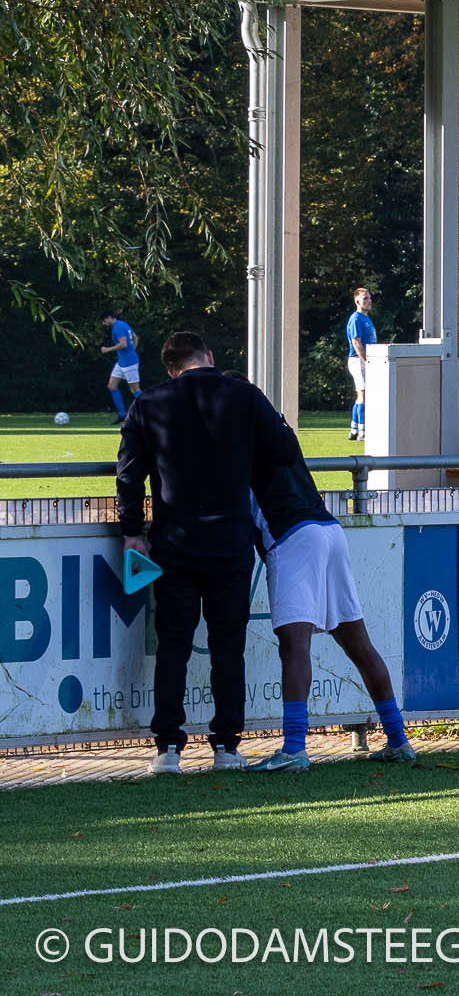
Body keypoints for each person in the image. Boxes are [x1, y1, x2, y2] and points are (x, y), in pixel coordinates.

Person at [115, 330, 298, 776]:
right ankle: (226, 746)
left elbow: (128, 475)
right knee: (228, 646)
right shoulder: (244, 395)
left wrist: (132, 532)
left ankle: (167, 748)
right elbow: (285, 450)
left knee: (173, 645)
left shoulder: (150, 403)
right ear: (210, 355)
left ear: (171, 367)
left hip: (175, 541)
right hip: (231, 539)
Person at [247, 444, 414, 772]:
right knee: (360, 646)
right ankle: (398, 740)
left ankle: (294, 748)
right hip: (329, 529)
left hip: (292, 537)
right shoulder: (272, 425)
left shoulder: (233, 431)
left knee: (295, 646)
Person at [345, 287, 375, 441]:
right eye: (365, 299)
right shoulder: (356, 318)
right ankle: (363, 432)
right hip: (358, 360)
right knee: (364, 395)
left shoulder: (366, 318)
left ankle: (354, 429)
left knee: (361, 395)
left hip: (362, 361)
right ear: (357, 301)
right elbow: (356, 342)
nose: (369, 301)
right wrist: (366, 361)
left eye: (369, 298)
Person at [99, 313, 142, 419]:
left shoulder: (118, 327)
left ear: (109, 317)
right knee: (112, 386)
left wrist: (107, 349)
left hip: (129, 362)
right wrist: (132, 351)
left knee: (135, 391)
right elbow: (135, 337)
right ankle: (122, 415)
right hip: (122, 361)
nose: (103, 324)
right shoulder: (123, 324)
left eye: (104, 321)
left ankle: (151, 411)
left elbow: (124, 344)